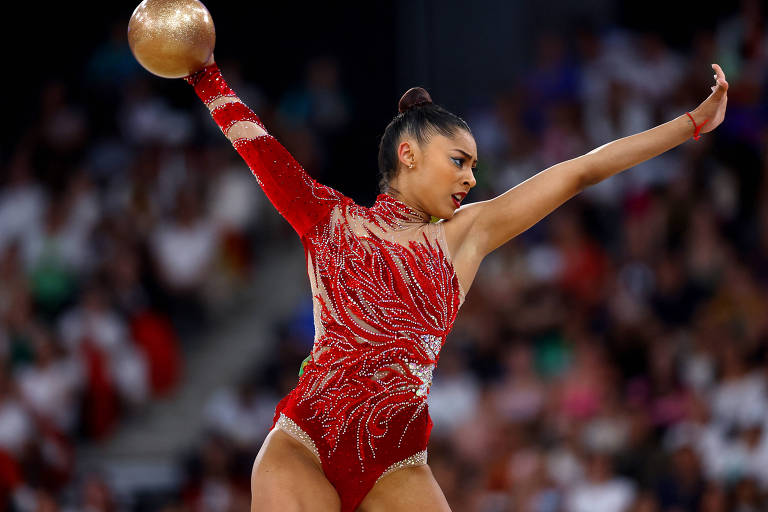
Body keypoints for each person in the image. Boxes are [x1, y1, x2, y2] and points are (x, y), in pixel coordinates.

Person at [184, 57, 728, 511]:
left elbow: (577, 171)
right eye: (459, 161)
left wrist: (690, 125)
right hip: (305, 441)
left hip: (395, 463)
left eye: (473, 166)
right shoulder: (331, 221)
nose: (471, 178)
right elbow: (257, 146)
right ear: (409, 154)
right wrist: (203, 73)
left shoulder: (465, 237)